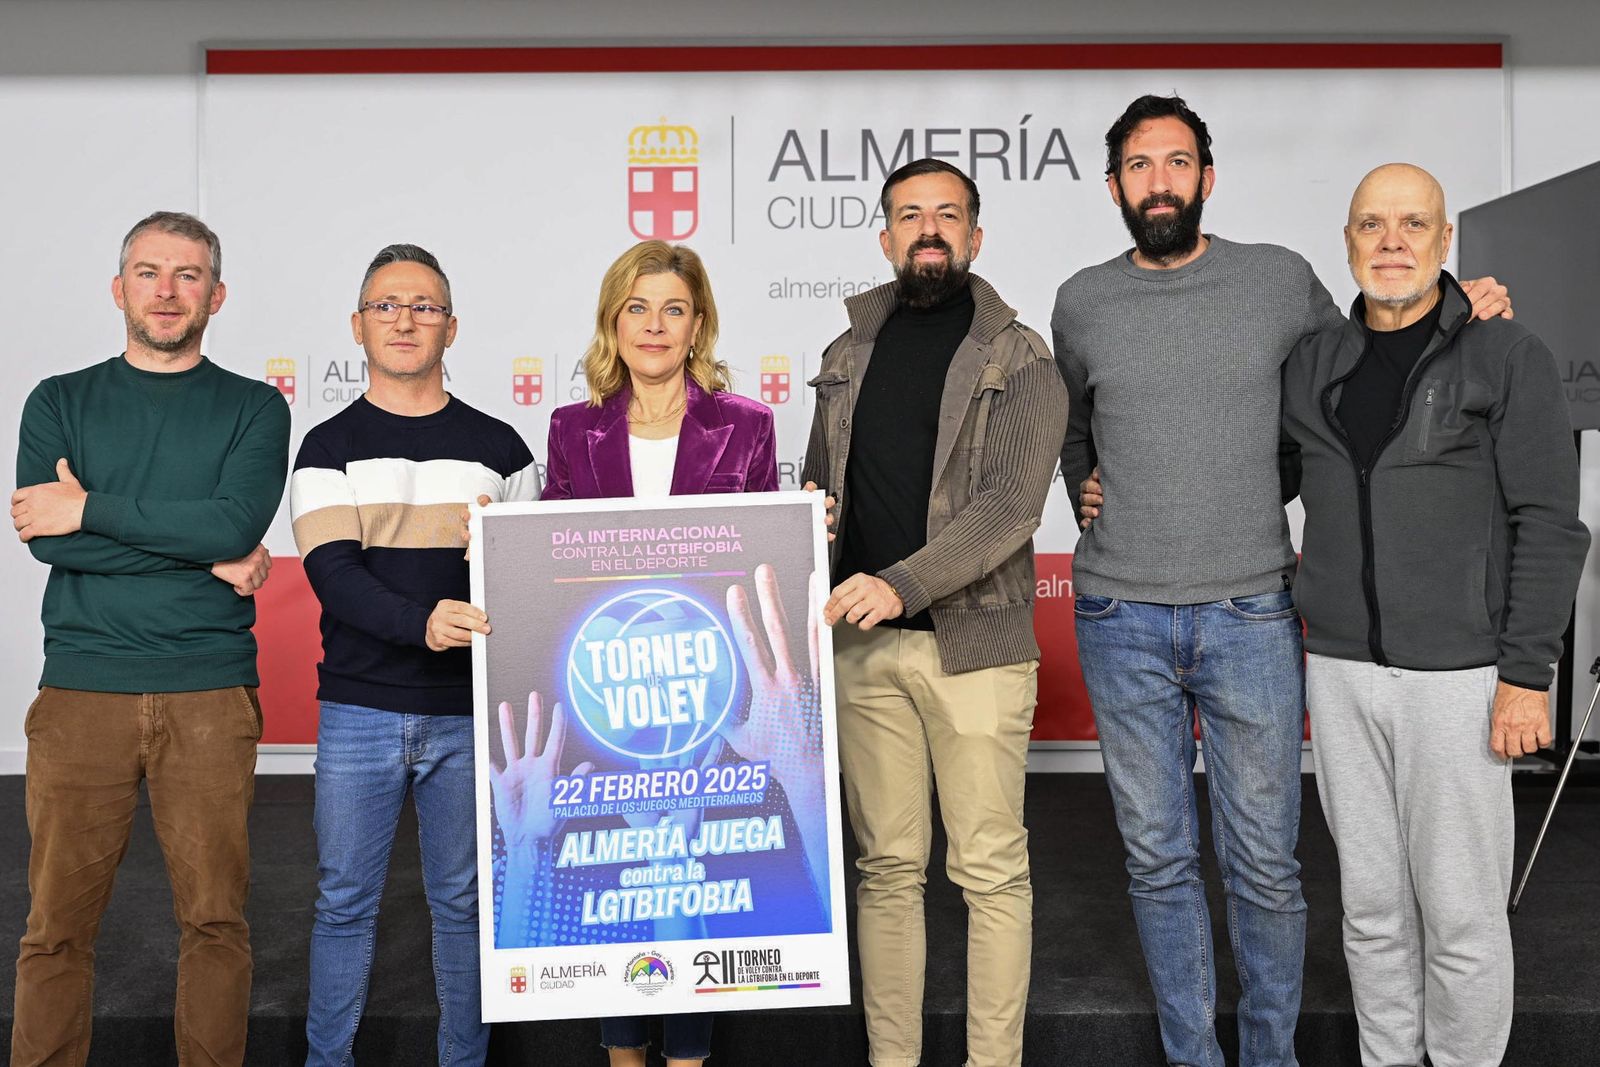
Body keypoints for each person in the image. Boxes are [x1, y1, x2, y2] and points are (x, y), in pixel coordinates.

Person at [1055, 95, 1512, 1067]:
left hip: (1250, 609)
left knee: (1264, 863)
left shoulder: (1276, 280)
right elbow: (1074, 426)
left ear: (1206, 177)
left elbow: (1384, 330)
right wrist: (1083, 483)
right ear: (1114, 187)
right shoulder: (1081, 299)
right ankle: (1193, 1054)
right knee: (1157, 861)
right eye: (1139, 165)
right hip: (1117, 616)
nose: (1160, 181)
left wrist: (1470, 305)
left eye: (1177, 161)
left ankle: (1269, 1056)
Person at [1280, 163, 1588, 1067]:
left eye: (1413, 223)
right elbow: (1260, 474)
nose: (1392, 241)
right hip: (1338, 673)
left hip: (1461, 679)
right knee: (1372, 909)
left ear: (1445, 240)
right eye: (1372, 225)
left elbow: (1550, 522)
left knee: (1459, 913)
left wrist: (1527, 674)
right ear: (1348, 241)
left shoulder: (1506, 353)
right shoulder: (1312, 363)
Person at [802, 157, 1067, 1067]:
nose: (929, 228)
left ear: (976, 236)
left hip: (975, 648)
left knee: (990, 871)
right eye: (910, 214)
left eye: (947, 214)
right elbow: (817, 484)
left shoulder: (1021, 355)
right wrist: (812, 518)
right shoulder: (845, 354)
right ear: (884, 235)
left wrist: (900, 584)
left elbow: (1009, 509)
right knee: (886, 870)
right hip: (863, 650)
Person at [9, 210, 289, 1067]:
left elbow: (236, 519)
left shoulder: (253, 407)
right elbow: (44, 535)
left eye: (188, 275)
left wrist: (90, 505)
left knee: (214, 921)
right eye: (148, 272)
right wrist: (204, 553)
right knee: (55, 928)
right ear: (118, 287)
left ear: (218, 293)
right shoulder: (58, 400)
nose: (166, 291)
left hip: (209, 691)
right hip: (80, 690)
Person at [521, 239, 787, 1067]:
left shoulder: (747, 424)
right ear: (613, 321)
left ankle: (688, 1057)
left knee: (693, 873)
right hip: (608, 694)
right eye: (637, 307)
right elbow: (552, 558)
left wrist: (800, 524)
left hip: (707, 696)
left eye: (673, 308)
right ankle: (623, 1055)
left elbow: (761, 555)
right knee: (620, 883)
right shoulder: (573, 428)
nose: (655, 325)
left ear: (698, 322)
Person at [289, 244, 540, 1066]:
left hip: (471, 713)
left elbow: (522, 581)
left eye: (424, 306)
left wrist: (483, 555)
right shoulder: (326, 446)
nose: (405, 320)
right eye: (387, 304)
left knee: (465, 905)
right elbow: (333, 575)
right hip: (359, 706)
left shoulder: (502, 448)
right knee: (344, 903)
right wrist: (423, 621)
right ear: (357, 325)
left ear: (452, 326)